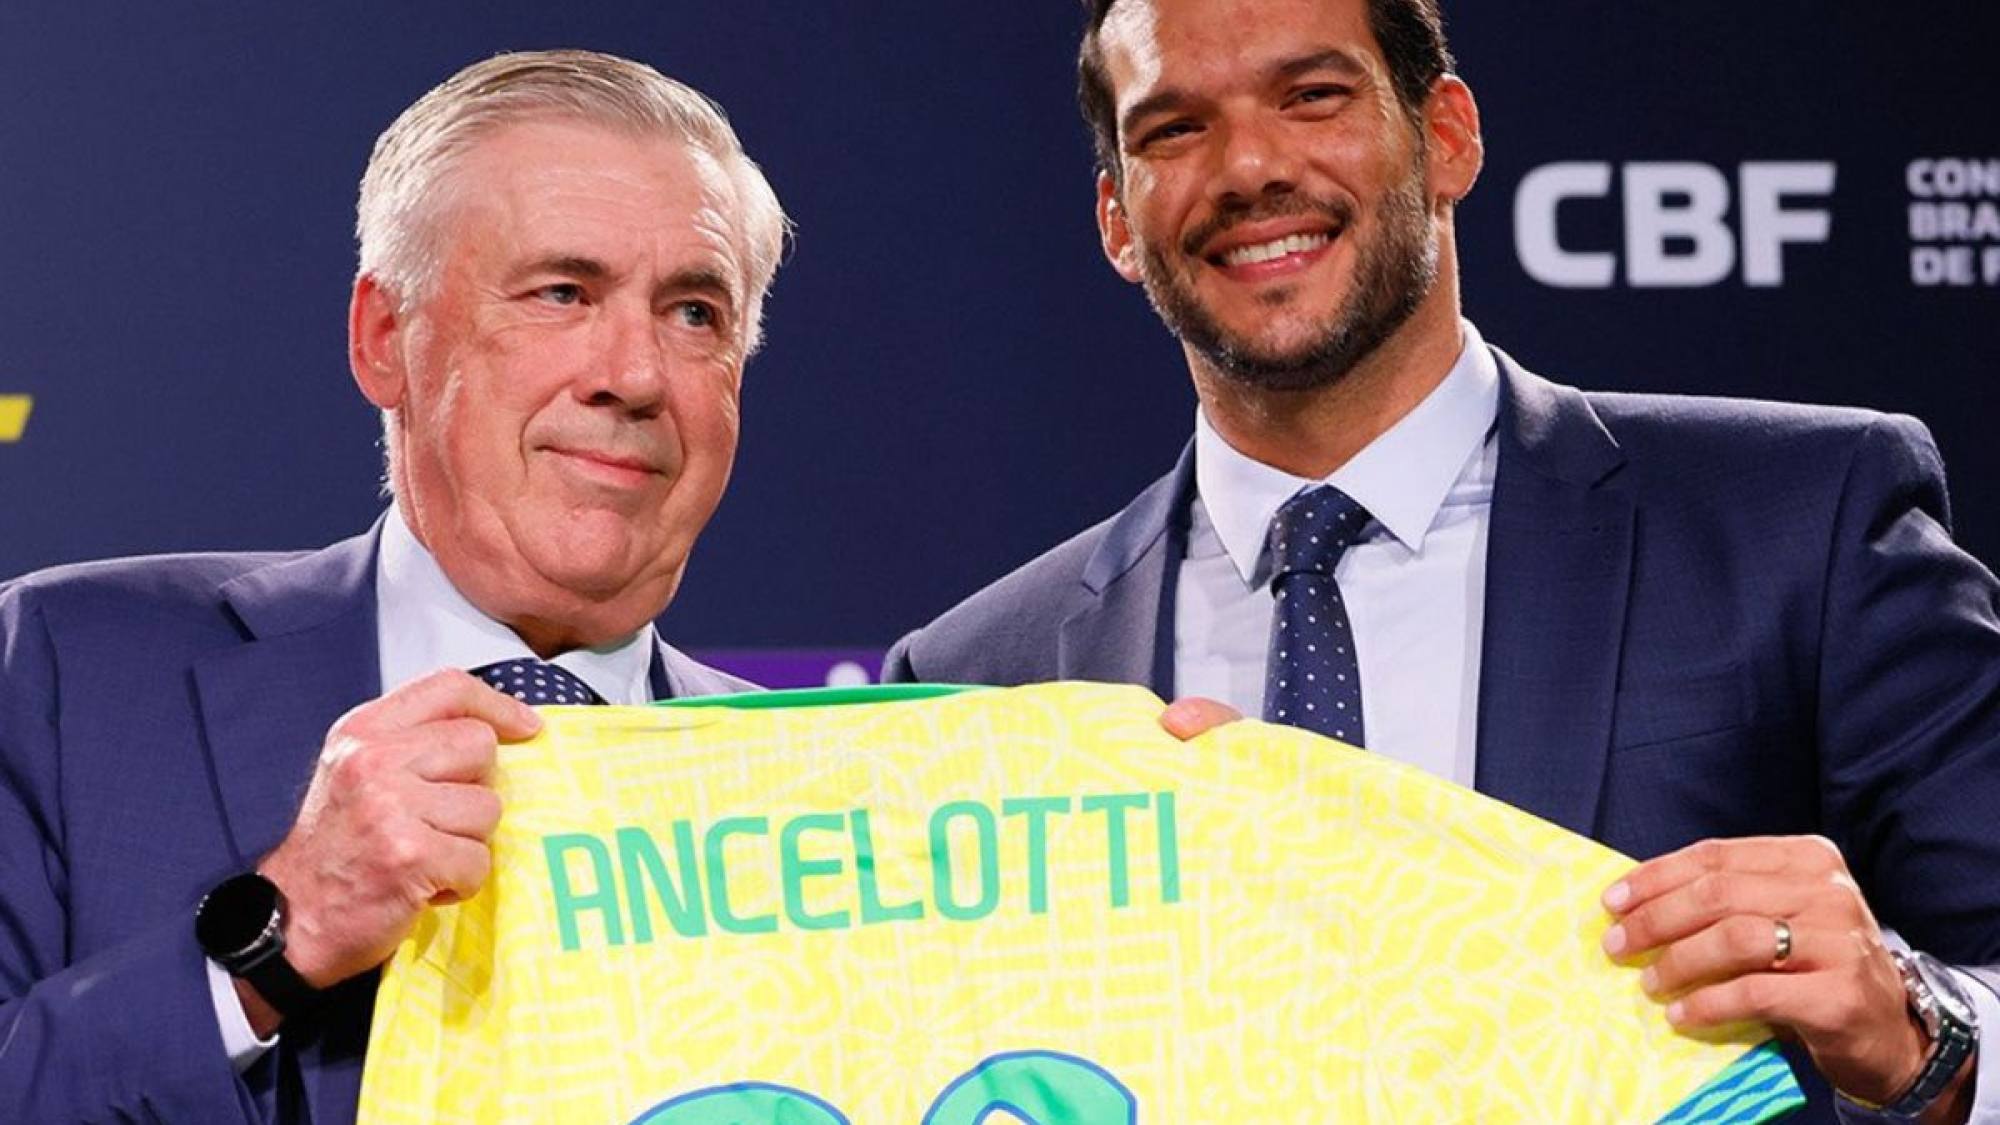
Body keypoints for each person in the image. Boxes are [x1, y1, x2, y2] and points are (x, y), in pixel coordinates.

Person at [884, 1, 2000, 1121]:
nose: (1249, 167)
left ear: (1448, 138)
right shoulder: (976, 682)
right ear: (1117, 221)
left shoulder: (1802, 523)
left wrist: (1923, 1035)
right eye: (1175, 129)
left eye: (1312, 96)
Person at [0, 50, 789, 1122]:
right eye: (562, 293)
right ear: (386, 340)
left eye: (694, 313)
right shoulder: (71, 673)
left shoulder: (822, 799)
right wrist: (280, 935)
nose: (636, 375)